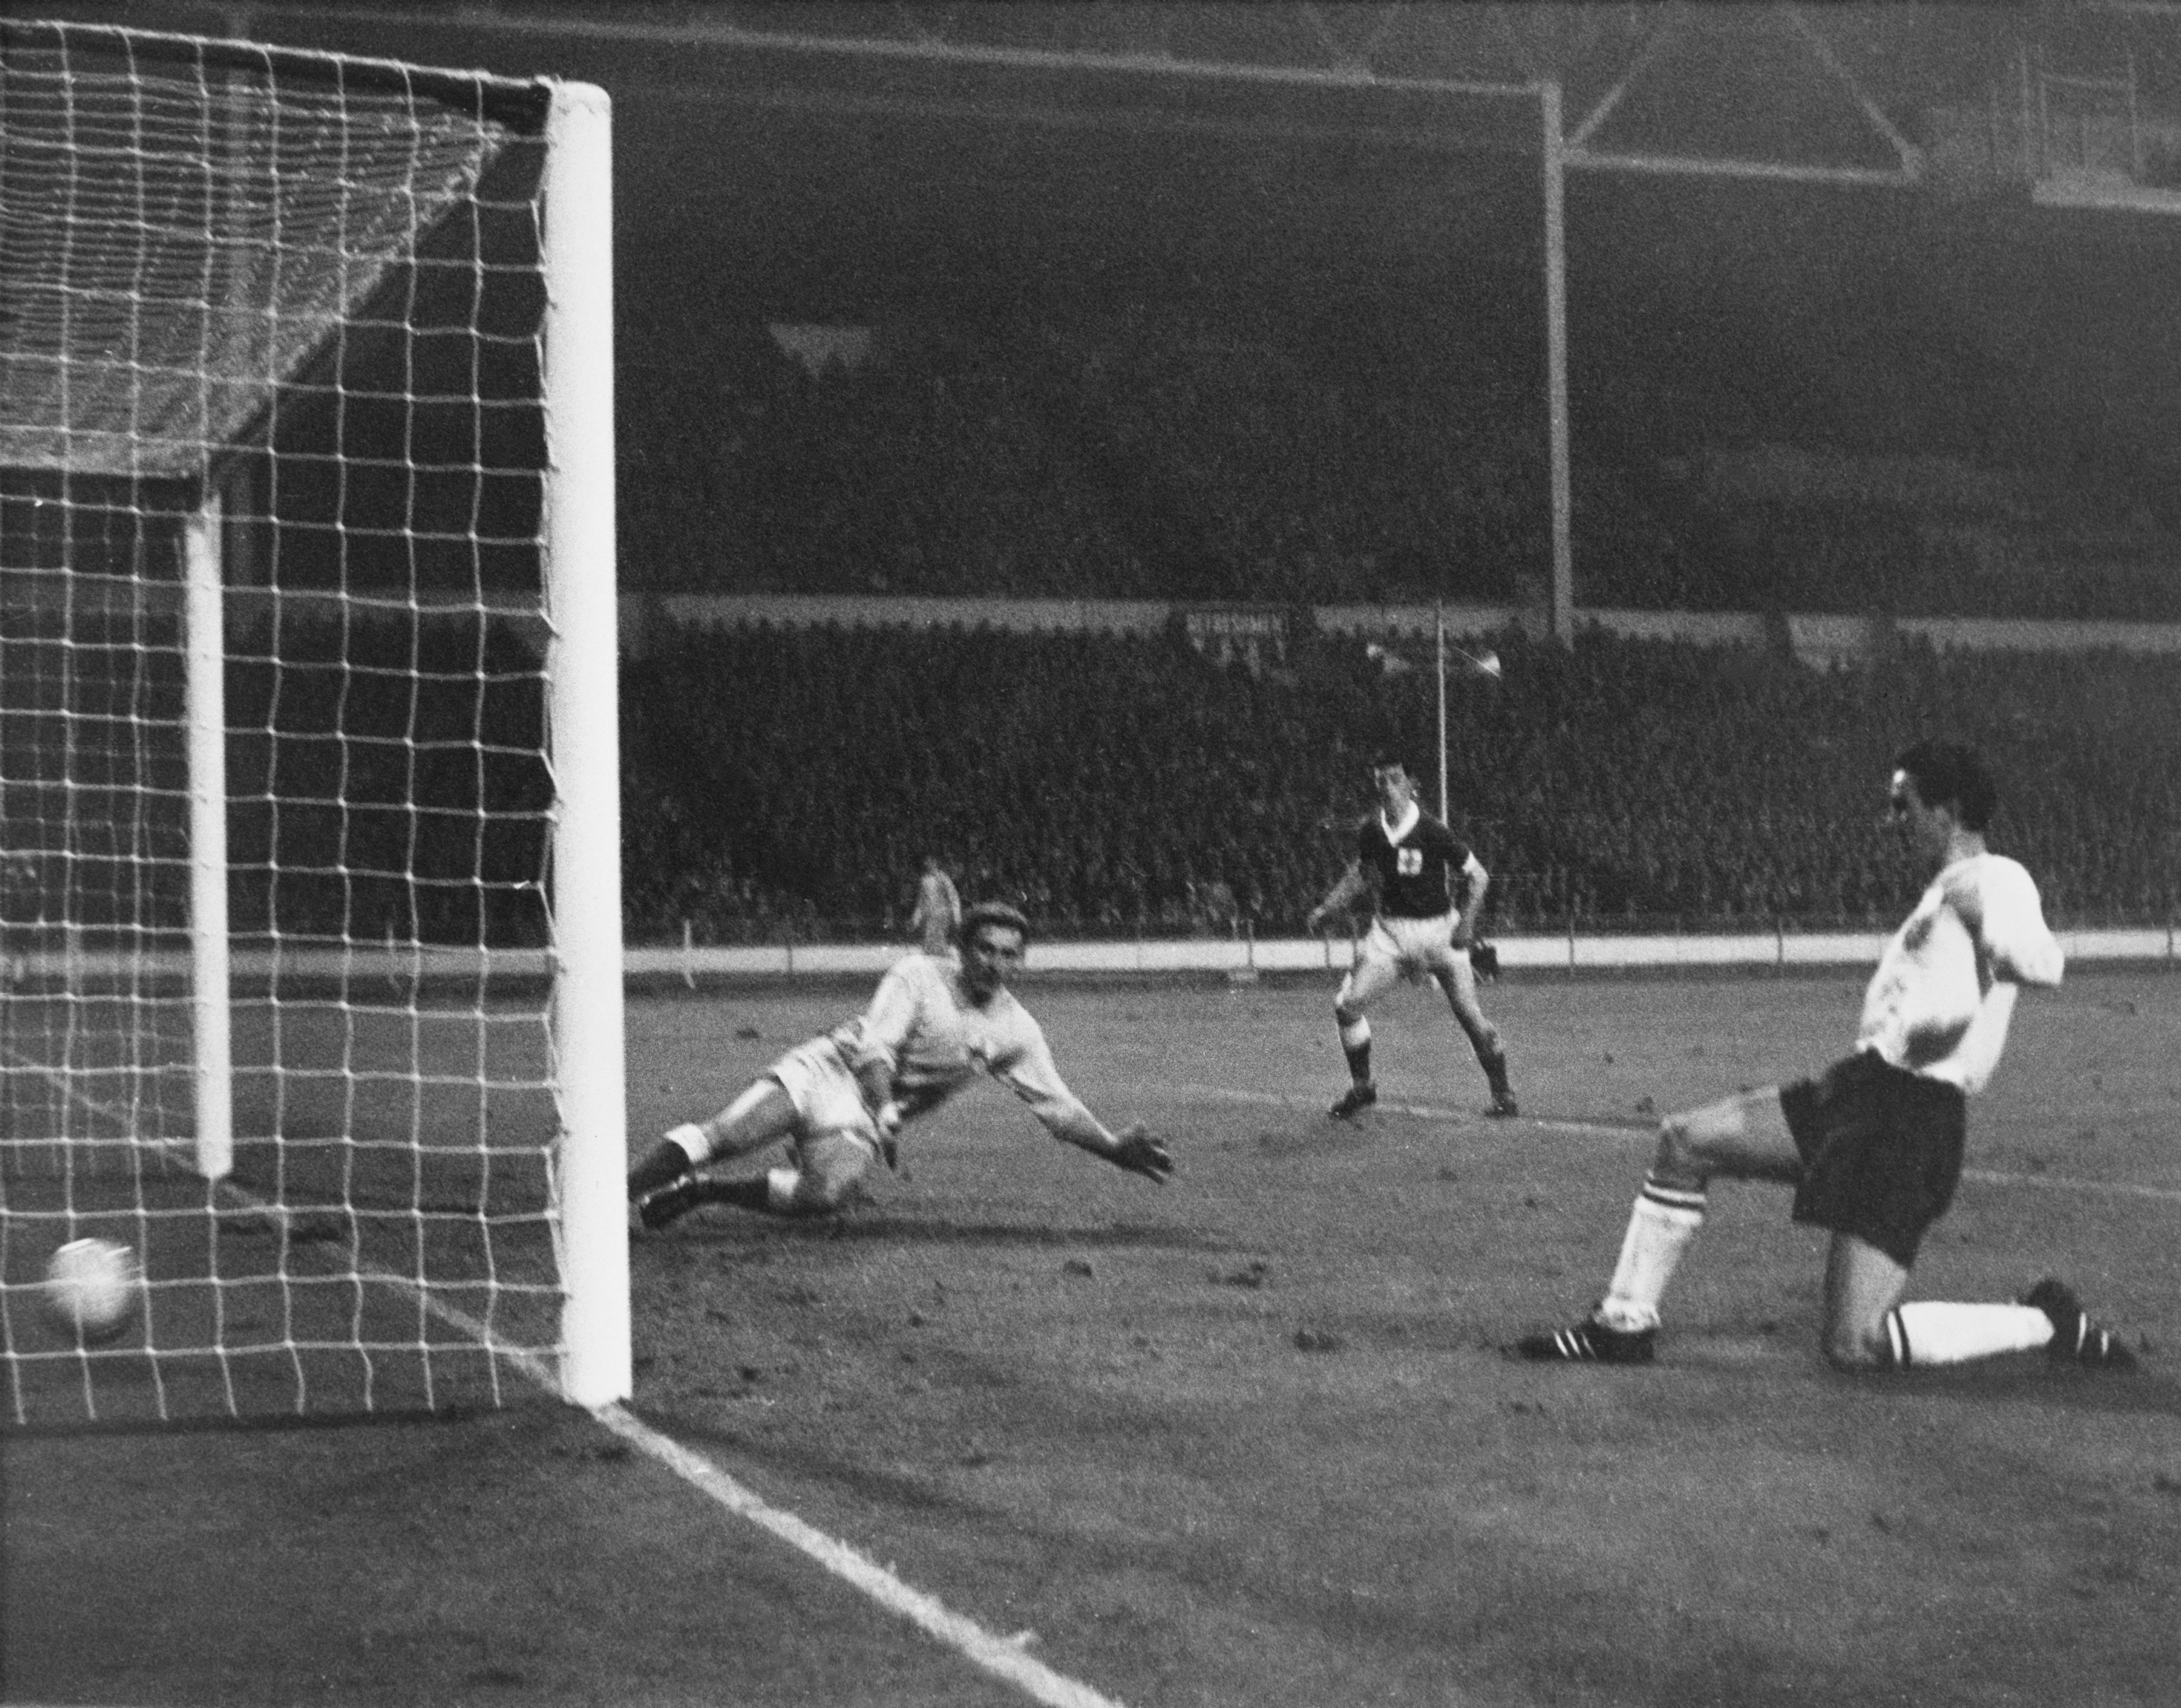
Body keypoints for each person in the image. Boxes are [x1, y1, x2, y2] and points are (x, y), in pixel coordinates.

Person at [1516, 740, 2137, 1373]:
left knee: (1853, 1343)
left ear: (1946, 812)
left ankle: (2042, 1320)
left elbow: (2040, 959)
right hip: (1861, 1089)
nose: (1891, 821)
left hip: (1911, 1120)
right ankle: (1621, 1324)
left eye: (1903, 806)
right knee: (1684, 1142)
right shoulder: (1946, 888)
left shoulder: (1991, 878)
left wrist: (2006, 953)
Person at [627, 900, 1175, 1226]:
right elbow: (875, 1049)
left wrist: (1114, 1149)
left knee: (827, 1195)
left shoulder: (1017, 1030)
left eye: (1010, 953)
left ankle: (702, 1192)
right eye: (986, 948)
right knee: (727, 1135)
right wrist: (887, 1107)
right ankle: (610, 1198)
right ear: (961, 948)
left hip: (865, 1119)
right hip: (830, 1073)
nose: (997, 962)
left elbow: (1058, 1107)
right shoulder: (918, 975)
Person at [1305, 756, 1517, 1119]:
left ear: (1409, 785)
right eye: (1380, 780)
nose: (1387, 786)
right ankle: (1363, 1088)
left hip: (1439, 935)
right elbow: (1361, 875)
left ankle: (1503, 1096)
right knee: (1347, 1008)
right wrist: (1328, 907)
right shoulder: (1372, 830)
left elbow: (1478, 877)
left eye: (1394, 779)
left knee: (1470, 1017)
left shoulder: (1433, 831)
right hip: (1390, 937)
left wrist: (1466, 924)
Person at [906, 854, 962, 958]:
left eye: (930, 862)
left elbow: (953, 897)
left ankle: (942, 959)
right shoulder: (924, 880)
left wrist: (957, 915)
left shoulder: (943, 878)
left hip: (942, 914)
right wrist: (916, 918)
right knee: (930, 944)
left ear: (935, 863)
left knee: (938, 941)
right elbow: (921, 902)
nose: (927, 864)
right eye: (926, 862)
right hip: (930, 915)